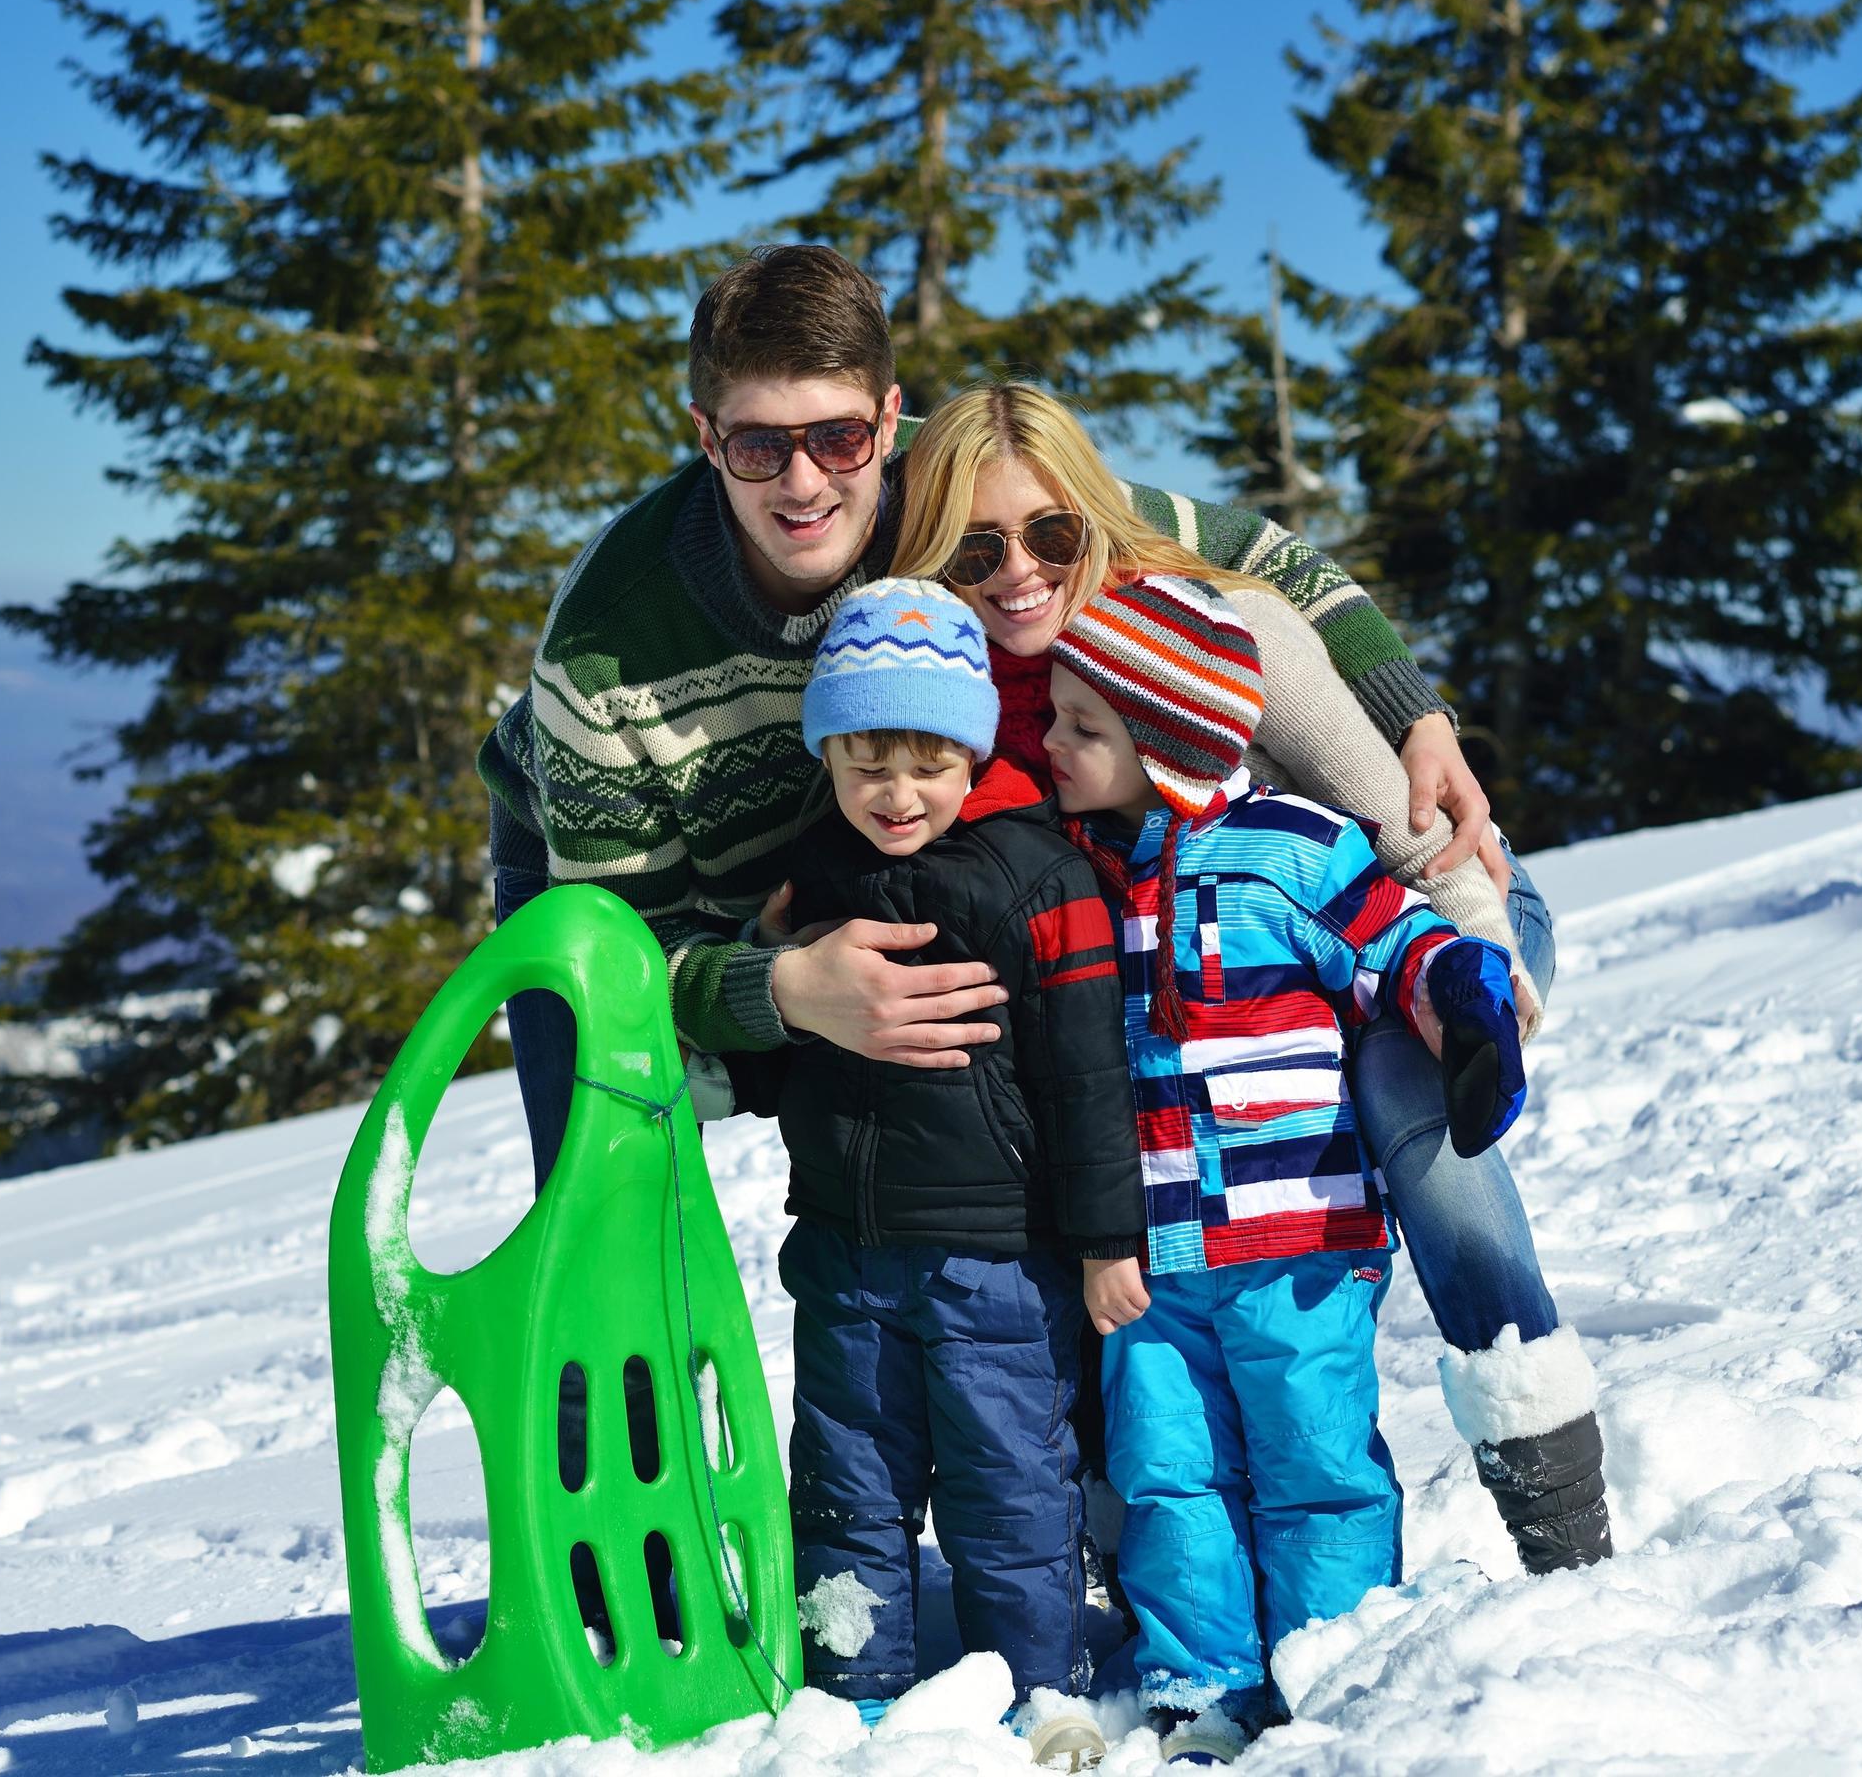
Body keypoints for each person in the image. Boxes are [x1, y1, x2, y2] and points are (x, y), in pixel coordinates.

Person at [476, 246, 1486, 1149]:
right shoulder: (609, 642)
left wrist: (1415, 715)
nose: (802, 481)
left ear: (886, 416)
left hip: (871, 855)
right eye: (757, 446)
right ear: (705, 435)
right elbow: (626, 961)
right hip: (615, 872)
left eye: (836, 438)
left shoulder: (965, 482)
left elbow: (1261, 553)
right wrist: (779, 986)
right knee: (610, 1157)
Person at [890, 382, 1612, 1578]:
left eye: (1051, 535)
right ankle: (1157, 1541)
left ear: (1096, 520)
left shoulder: (1220, 633)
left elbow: (1416, 834)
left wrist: (1476, 978)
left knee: (1402, 1095)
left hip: (1412, 901)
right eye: (978, 546)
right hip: (1230, 960)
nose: (1017, 569)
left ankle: (1557, 1506)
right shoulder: (968, 696)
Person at [1044, 575, 1527, 1765]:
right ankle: (1196, 1681)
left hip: (1300, 1244)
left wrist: (1462, 1002)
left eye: (1081, 726)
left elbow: (1397, 945)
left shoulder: (1299, 848)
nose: (1051, 743)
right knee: (1170, 1474)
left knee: (1313, 1458)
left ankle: (1337, 1660)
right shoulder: (1076, 880)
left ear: (1165, 744)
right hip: (1153, 1260)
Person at [765, 579, 1139, 1741]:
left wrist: (1103, 1240)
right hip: (843, 1242)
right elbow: (781, 1055)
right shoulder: (810, 877)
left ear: (973, 753)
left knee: (1010, 1488)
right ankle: (851, 1690)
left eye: (927, 761)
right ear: (829, 752)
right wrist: (771, 958)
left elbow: (1087, 1081)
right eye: (867, 760)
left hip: (997, 1259)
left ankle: (1040, 1692)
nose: (896, 792)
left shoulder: (1042, 880)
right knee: (846, 1482)